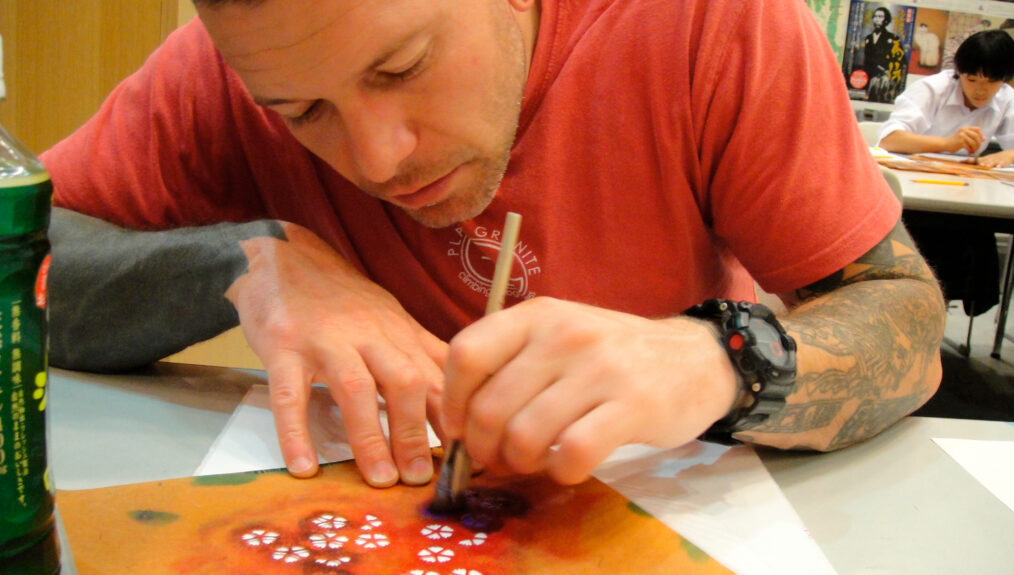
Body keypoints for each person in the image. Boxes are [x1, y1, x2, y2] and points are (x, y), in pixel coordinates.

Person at [42, 0, 945, 489]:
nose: (377, 159)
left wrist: (717, 357)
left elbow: (904, 316)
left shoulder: (709, 23)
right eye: (304, 113)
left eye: (402, 67)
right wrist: (243, 263)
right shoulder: (223, 76)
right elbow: (23, 254)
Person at [879, 29, 1014, 167]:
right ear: (958, 72)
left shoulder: (1006, 99)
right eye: (972, 80)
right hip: (910, 173)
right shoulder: (932, 89)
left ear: (1005, 79)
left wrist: (1011, 156)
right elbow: (889, 140)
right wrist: (947, 144)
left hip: (966, 178)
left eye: (992, 82)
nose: (980, 90)